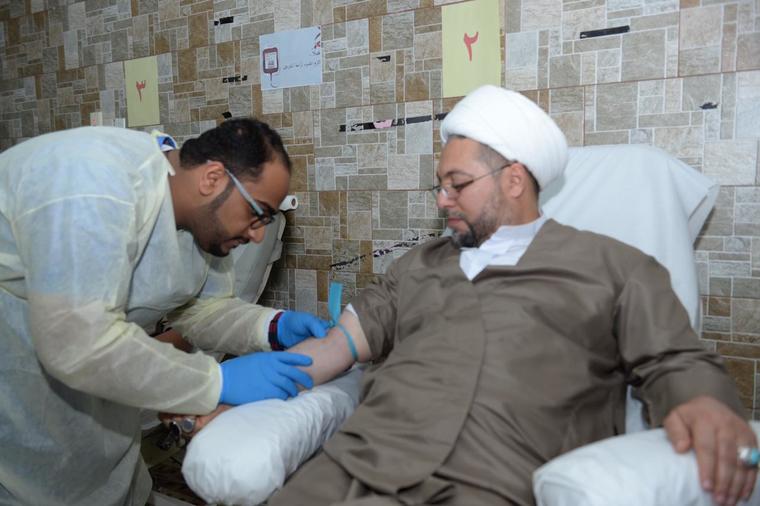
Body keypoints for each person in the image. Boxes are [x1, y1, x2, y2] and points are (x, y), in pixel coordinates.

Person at [264, 86, 757, 506]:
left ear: (515, 180)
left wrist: (702, 402)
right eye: (440, 186)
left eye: (457, 184)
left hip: (493, 481)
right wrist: (238, 389)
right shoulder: (419, 265)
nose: (442, 199)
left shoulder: (614, 268)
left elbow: (675, 359)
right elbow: (336, 347)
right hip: (352, 469)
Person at [0, 118, 328, 505]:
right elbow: (78, 343)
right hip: (18, 370)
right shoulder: (94, 182)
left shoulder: (202, 225)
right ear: (212, 178)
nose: (258, 235)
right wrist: (215, 382)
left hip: (93, 382)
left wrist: (272, 326)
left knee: (101, 477)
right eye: (257, 213)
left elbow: (202, 309)